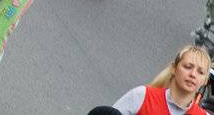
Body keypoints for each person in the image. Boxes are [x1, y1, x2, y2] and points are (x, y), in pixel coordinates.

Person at [84, 47, 212, 115]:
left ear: (205, 81)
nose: (193, 74)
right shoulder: (142, 96)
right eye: (187, 67)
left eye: (200, 72)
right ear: (174, 68)